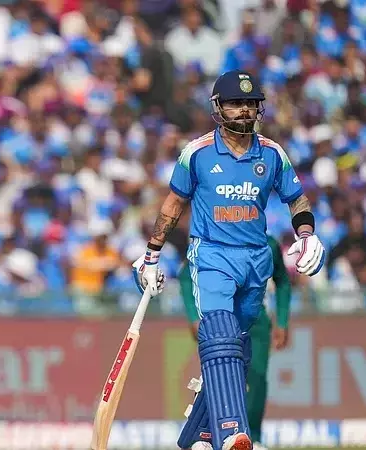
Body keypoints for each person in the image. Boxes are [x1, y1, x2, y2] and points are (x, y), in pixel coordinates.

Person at [131, 70, 325, 450]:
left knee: (237, 345)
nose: (245, 110)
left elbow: (296, 199)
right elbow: (173, 204)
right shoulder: (197, 153)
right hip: (212, 254)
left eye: (251, 103)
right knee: (220, 333)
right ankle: (231, 431)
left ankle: (198, 436)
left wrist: (307, 234)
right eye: (236, 103)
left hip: (256, 259)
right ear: (218, 107)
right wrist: (152, 254)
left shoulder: (272, 153)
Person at [178, 235, 292, 450]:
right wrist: (194, 315)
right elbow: (186, 277)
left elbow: (283, 281)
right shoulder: (213, 238)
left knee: (256, 378)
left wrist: (282, 321)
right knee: (217, 377)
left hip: (256, 320)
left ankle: (253, 438)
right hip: (218, 317)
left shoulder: (269, 245)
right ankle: (205, 436)